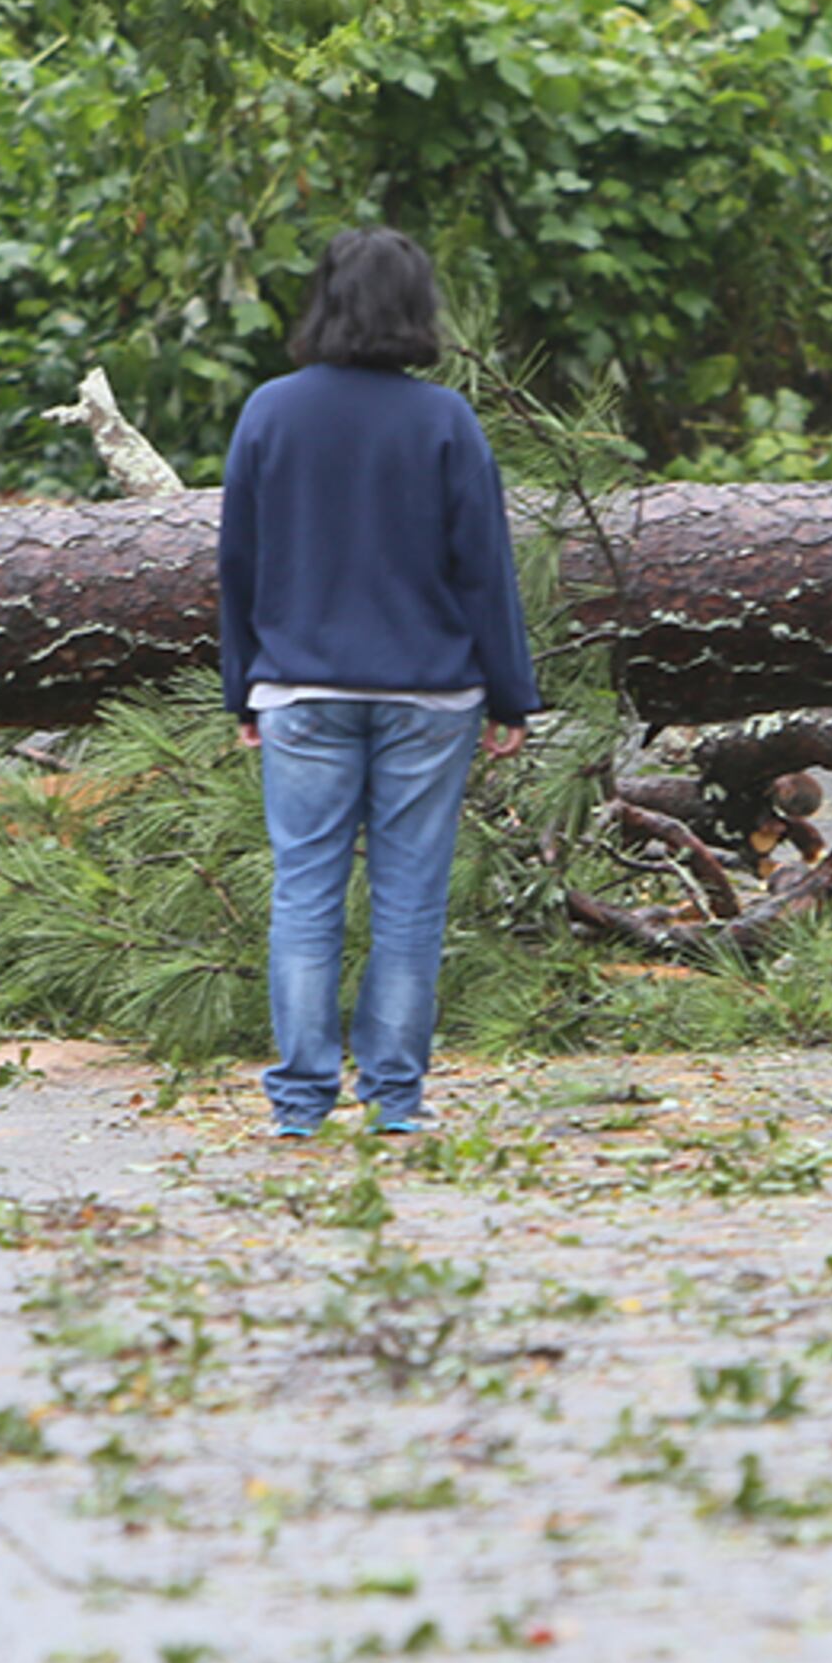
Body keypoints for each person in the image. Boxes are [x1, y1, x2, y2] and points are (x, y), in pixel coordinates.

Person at [218, 228, 539, 1137]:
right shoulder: (443, 420)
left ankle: (299, 1105)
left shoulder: (269, 413)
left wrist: (243, 687)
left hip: (300, 693)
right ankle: (395, 1101)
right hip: (429, 694)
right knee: (409, 899)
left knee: (305, 892)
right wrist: (511, 693)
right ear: (415, 309)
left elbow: (239, 563)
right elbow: (485, 569)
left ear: (322, 301)